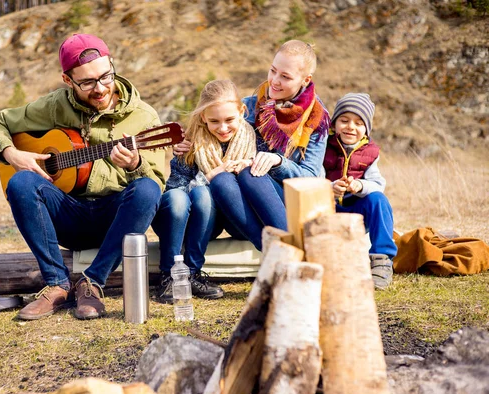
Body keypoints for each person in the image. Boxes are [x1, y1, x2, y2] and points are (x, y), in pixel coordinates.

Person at [0, 34, 165, 320]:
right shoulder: (54, 106)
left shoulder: (144, 116)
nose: (101, 88)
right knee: (20, 182)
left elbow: (156, 179)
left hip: (114, 220)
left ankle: (92, 283)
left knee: (147, 189)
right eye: (88, 82)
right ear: (68, 81)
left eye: (106, 76)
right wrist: (11, 154)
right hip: (68, 214)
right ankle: (56, 284)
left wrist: (135, 164)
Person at [177, 40, 330, 250]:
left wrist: (278, 162)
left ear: (305, 80)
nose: (275, 81)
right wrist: (189, 143)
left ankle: (290, 248)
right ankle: (274, 250)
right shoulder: (249, 105)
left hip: (292, 205)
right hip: (244, 211)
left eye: (285, 77)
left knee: (253, 173)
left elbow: (311, 177)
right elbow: (214, 129)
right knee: (224, 179)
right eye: (273, 71)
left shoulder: (317, 118)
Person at [152, 79, 257, 304]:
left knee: (203, 195)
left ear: (242, 111)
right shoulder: (190, 144)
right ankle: (168, 275)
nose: (223, 128)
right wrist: (210, 175)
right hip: (181, 218)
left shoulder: (252, 139)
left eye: (229, 119)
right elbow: (175, 192)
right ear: (203, 118)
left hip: (218, 219)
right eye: (214, 121)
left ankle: (192, 272)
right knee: (182, 197)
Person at [324, 92, 397, 289]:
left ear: (366, 130)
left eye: (358, 123)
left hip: (356, 210)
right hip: (328, 209)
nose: (350, 127)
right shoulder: (323, 146)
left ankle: (382, 260)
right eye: (344, 120)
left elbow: (377, 183)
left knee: (378, 200)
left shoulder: (371, 152)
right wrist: (330, 188)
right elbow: (311, 178)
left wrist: (360, 186)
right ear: (334, 124)